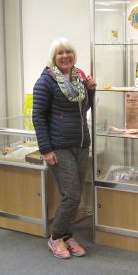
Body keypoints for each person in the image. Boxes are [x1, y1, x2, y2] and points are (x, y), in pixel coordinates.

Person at [33, 37, 96, 259]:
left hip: (80, 144)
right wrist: (46, 150)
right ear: (53, 57)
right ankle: (56, 237)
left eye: (68, 51)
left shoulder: (78, 78)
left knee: (76, 195)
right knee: (70, 195)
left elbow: (84, 108)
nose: (65, 56)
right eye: (60, 53)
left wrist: (90, 91)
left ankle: (67, 236)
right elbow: (38, 117)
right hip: (59, 146)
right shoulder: (46, 81)